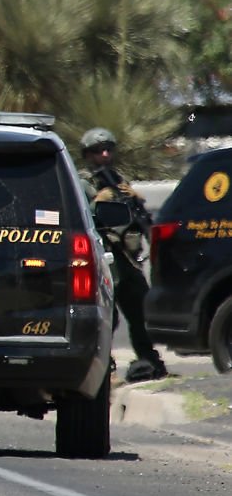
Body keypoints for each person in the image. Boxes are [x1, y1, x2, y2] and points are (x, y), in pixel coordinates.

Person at [79, 127, 166, 381]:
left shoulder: (117, 179)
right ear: (88, 154)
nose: (104, 155)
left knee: (140, 309)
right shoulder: (83, 183)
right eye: (97, 151)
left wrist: (134, 197)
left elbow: (137, 217)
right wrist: (98, 201)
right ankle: (101, 363)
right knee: (108, 315)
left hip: (125, 258)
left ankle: (148, 359)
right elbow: (80, 215)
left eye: (108, 149)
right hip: (103, 256)